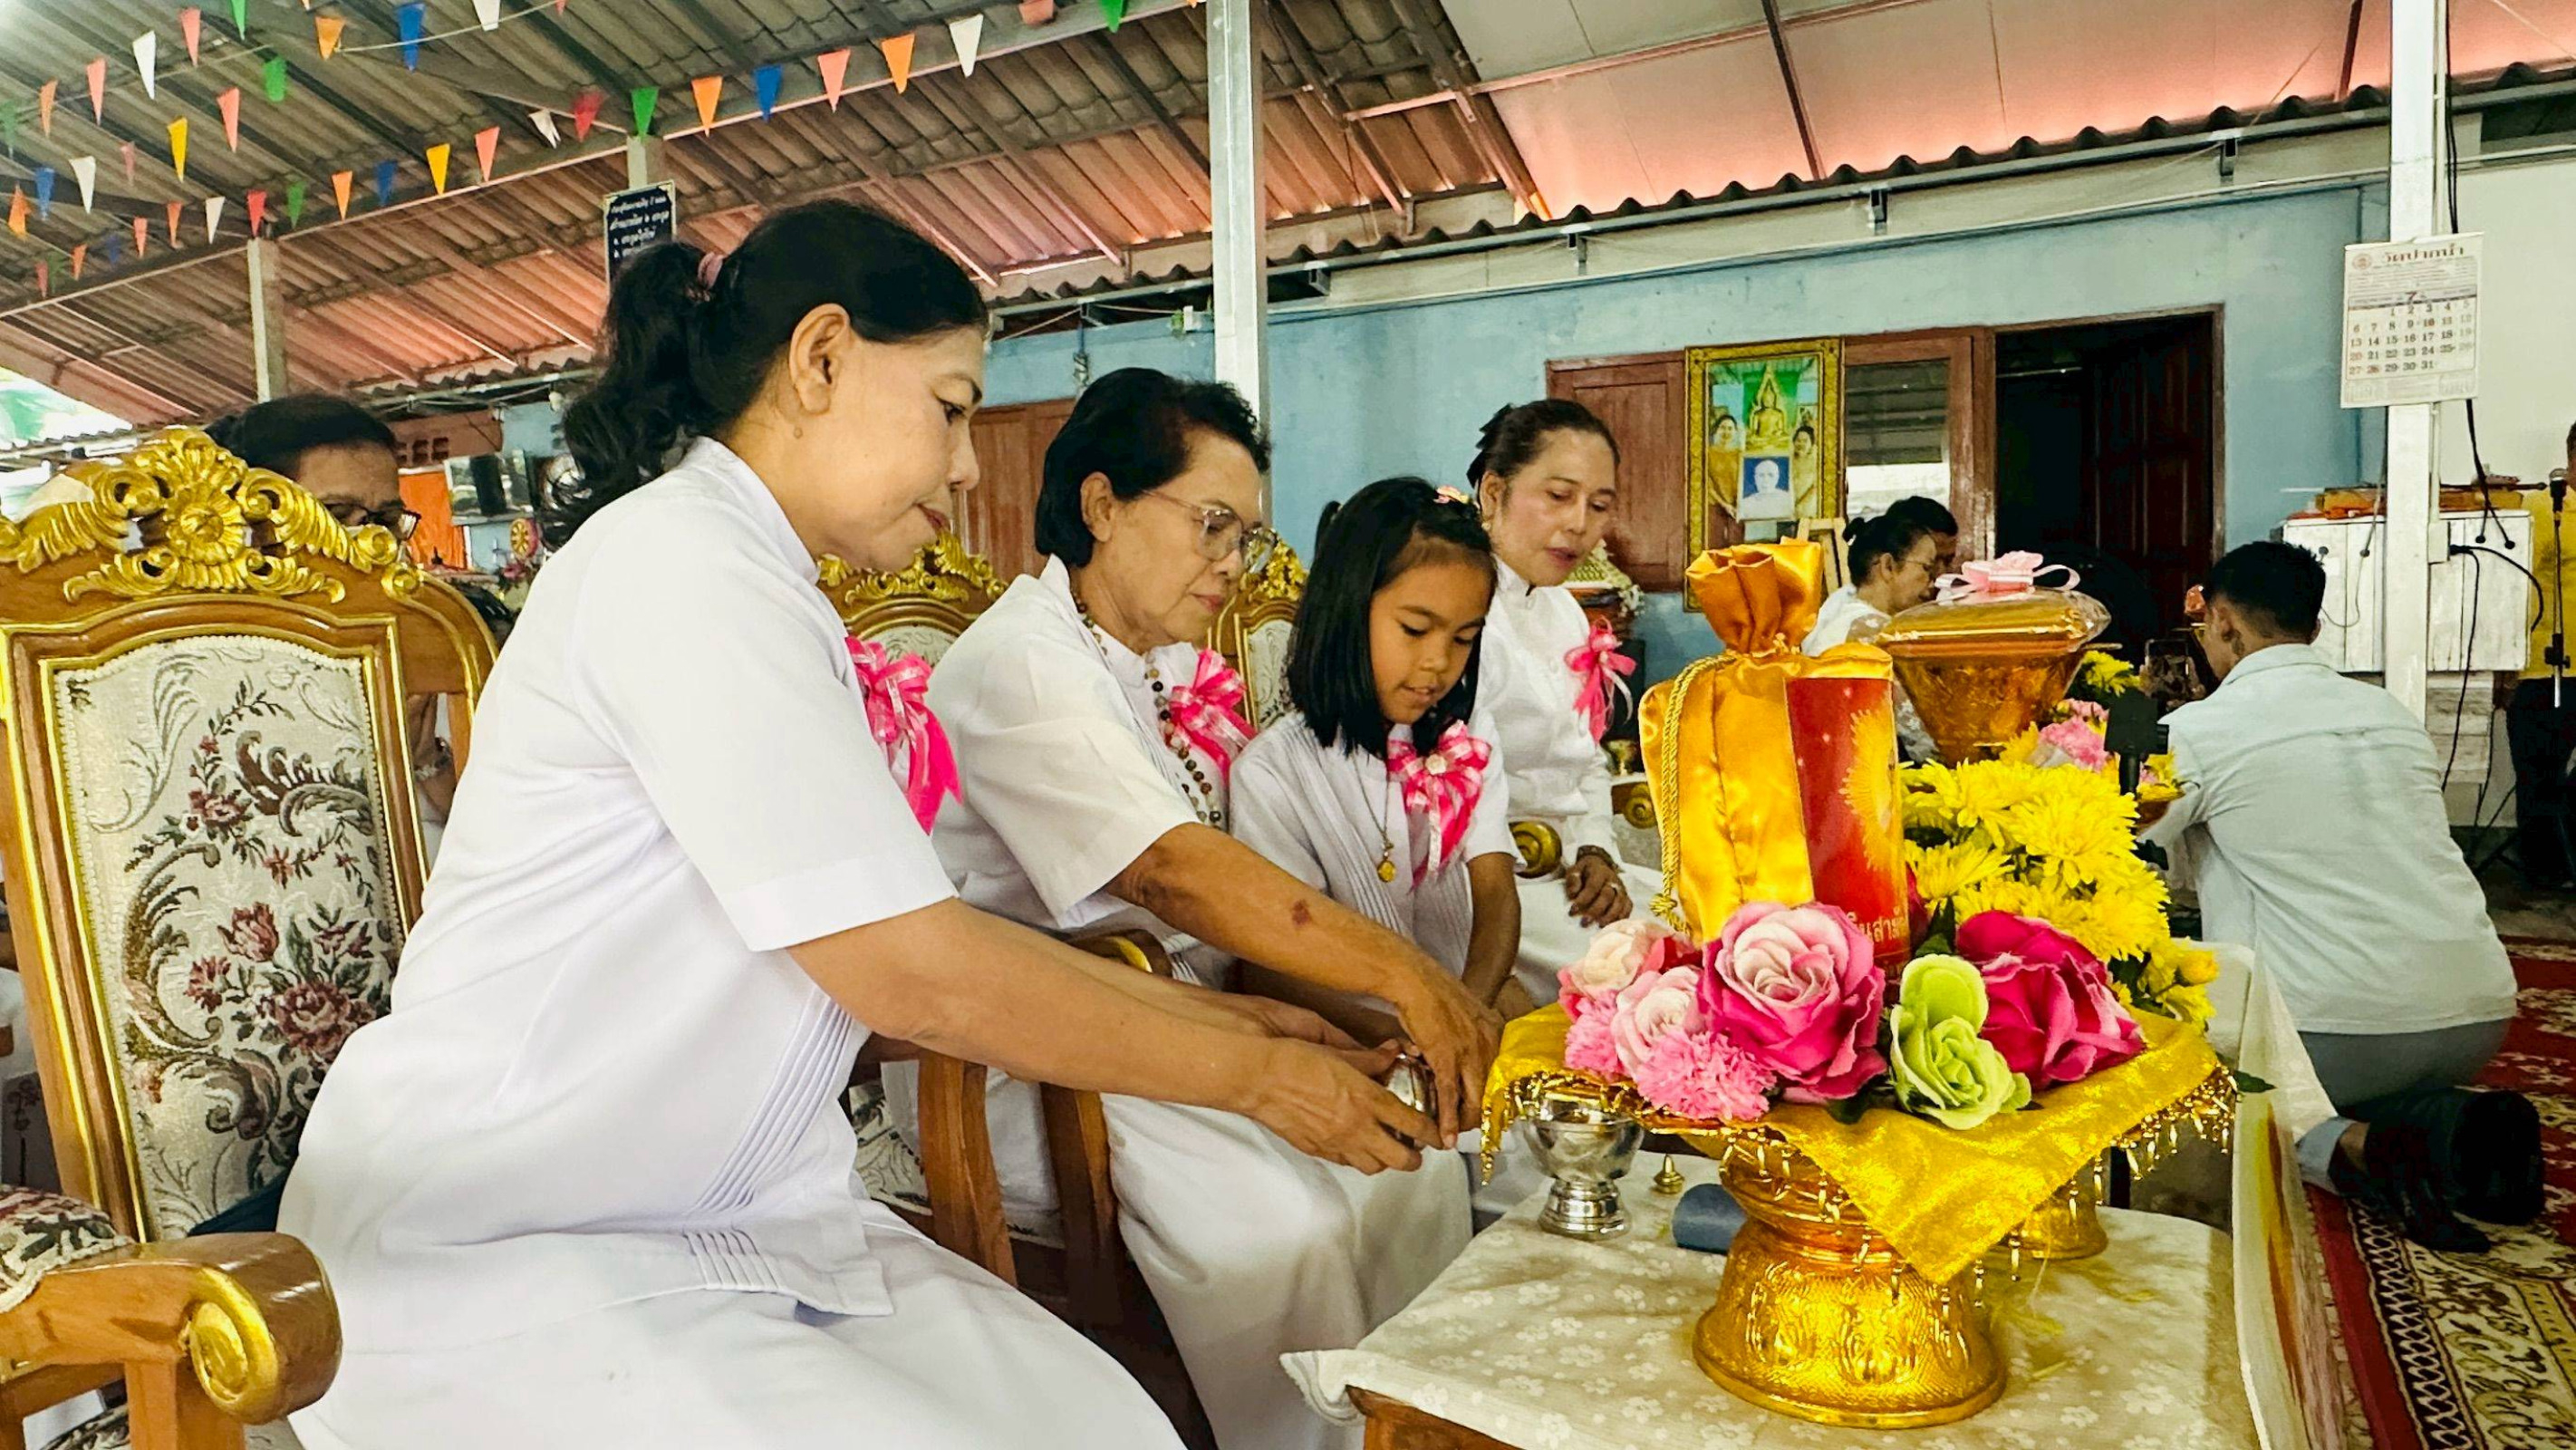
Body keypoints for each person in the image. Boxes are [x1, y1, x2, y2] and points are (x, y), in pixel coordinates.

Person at [276, 203, 1431, 1450]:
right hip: (515, 1234)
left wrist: (1219, 1015)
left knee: (1111, 1428)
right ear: (819, 360)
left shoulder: (758, 579)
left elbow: (891, 945)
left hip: (721, 1205)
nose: (967, 467)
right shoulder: (678, 565)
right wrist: (1257, 1077)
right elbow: (907, 972)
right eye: (949, 406)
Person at [924, 368, 1487, 1450]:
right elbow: (1172, 876)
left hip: (1171, 1017)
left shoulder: (1142, 666)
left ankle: (1413, 1432)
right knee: (1293, 1226)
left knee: (1405, 1167)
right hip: (1035, 1061)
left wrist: (1296, 1012)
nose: (1234, 565)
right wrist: (1403, 974)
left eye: (1246, 537)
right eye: (1212, 527)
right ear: (1101, 507)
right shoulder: (1021, 663)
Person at [2143, 541, 2537, 1252]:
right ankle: (2440, 1125)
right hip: (2475, 1019)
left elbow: (2131, 843)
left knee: (2153, 1071)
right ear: (2315, 629)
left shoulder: (2198, 730)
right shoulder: (2388, 713)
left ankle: (2356, 1146)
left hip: (2327, 1034)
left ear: (2223, 622)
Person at [1231, 476, 1522, 1027]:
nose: (1439, 662)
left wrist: (1466, 1014)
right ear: (1347, 611)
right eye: (1415, 630)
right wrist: (1409, 1037)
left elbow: (1496, 893)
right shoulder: (1274, 773)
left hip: (1468, 1003)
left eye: (1463, 638)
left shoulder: (1467, 736)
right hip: (1349, 1029)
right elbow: (1275, 965)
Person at [1468, 400, 1661, 1004]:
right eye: (1557, 495)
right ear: (1493, 493)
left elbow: (1586, 764)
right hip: (1496, 882)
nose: (1579, 523)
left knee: (1729, 921)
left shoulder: (1562, 609)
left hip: (1575, 868)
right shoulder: (1454, 612)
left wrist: (1597, 850)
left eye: (1598, 505)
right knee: (1655, 976)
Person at [207, 396, 460, 846]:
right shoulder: (205, 663)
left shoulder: (424, 645)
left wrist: (423, 760)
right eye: (337, 516)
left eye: (386, 518)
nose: (373, 542)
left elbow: (493, 835)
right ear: (253, 522)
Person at [1804, 512, 1940, 760]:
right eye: (1927, 568)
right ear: (1888, 566)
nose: (1934, 582)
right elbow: (1924, 736)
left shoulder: (1841, 613)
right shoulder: (1874, 630)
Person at [2507, 422, 2576, 891]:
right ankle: (2544, 874)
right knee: (2540, 780)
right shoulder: (2540, 508)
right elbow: (2507, 588)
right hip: (2547, 668)